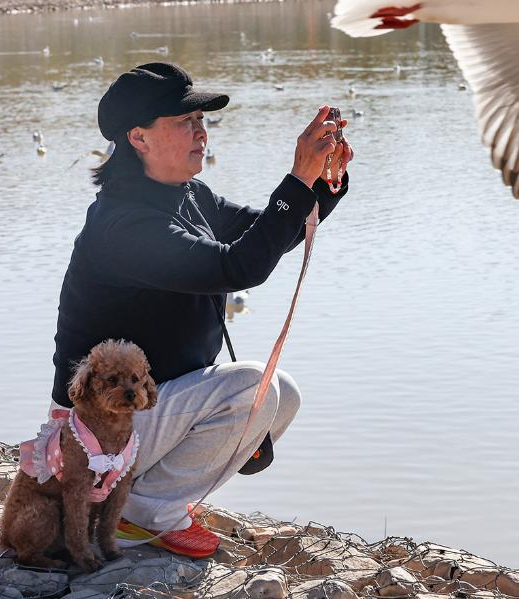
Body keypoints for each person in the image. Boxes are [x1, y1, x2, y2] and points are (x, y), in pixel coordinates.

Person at [49, 62, 352, 558]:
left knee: (283, 392)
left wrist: (322, 181)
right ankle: (140, 511)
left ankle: (149, 496)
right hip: (96, 432)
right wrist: (296, 180)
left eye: (201, 120)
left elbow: (269, 234)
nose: (201, 132)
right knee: (253, 384)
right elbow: (240, 266)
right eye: (184, 121)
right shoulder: (125, 225)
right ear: (138, 138)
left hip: (146, 413)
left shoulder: (187, 194)